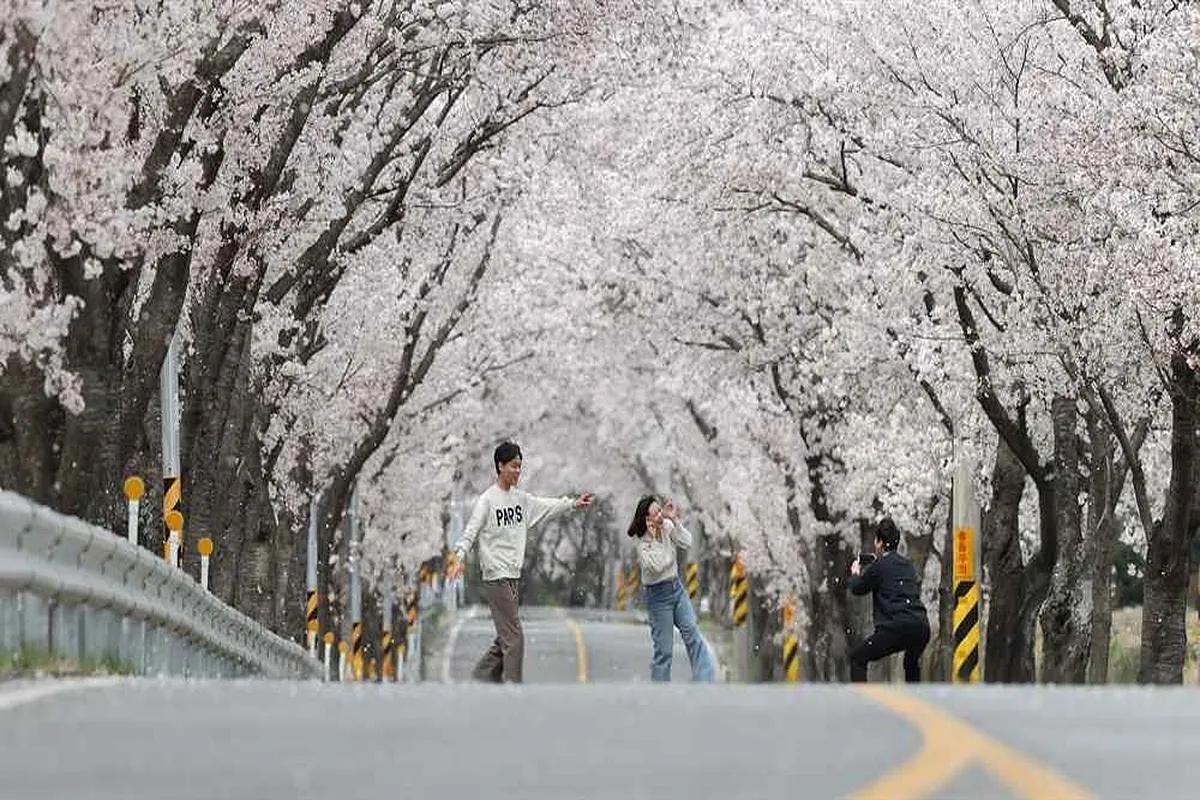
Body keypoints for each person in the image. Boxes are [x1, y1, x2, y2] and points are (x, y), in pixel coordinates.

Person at [447, 441, 593, 683]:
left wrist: (572, 504)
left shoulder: (521, 499)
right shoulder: (487, 500)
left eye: (519, 467)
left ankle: (480, 679)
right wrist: (459, 557)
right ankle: (513, 687)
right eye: (513, 466)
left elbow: (546, 506)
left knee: (505, 636)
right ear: (500, 466)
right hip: (496, 575)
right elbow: (471, 531)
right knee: (514, 637)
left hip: (513, 575)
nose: (517, 471)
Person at [627, 495, 716, 682]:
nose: (660, 514)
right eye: (656, 513)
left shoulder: (667, 526)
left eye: (660, 510)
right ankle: (661, 690)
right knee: (664, 650)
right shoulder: (643, 545)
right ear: (647, 519)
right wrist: (656, 540)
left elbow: (687, 541)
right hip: (658, 597)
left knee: (692, 633)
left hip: (676, 588)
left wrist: (675, 520)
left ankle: (704, 681)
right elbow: (659, 565)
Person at [848, 517, 931, 682]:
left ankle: (859, 698)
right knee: (911, 663)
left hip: (897, 627)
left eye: (876, 540)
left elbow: (857, 588)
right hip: (921, 626)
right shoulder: (907, 565)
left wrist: (855, 572)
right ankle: (916, 697)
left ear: (879, 543)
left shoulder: (879, 566)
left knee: (857, 658)